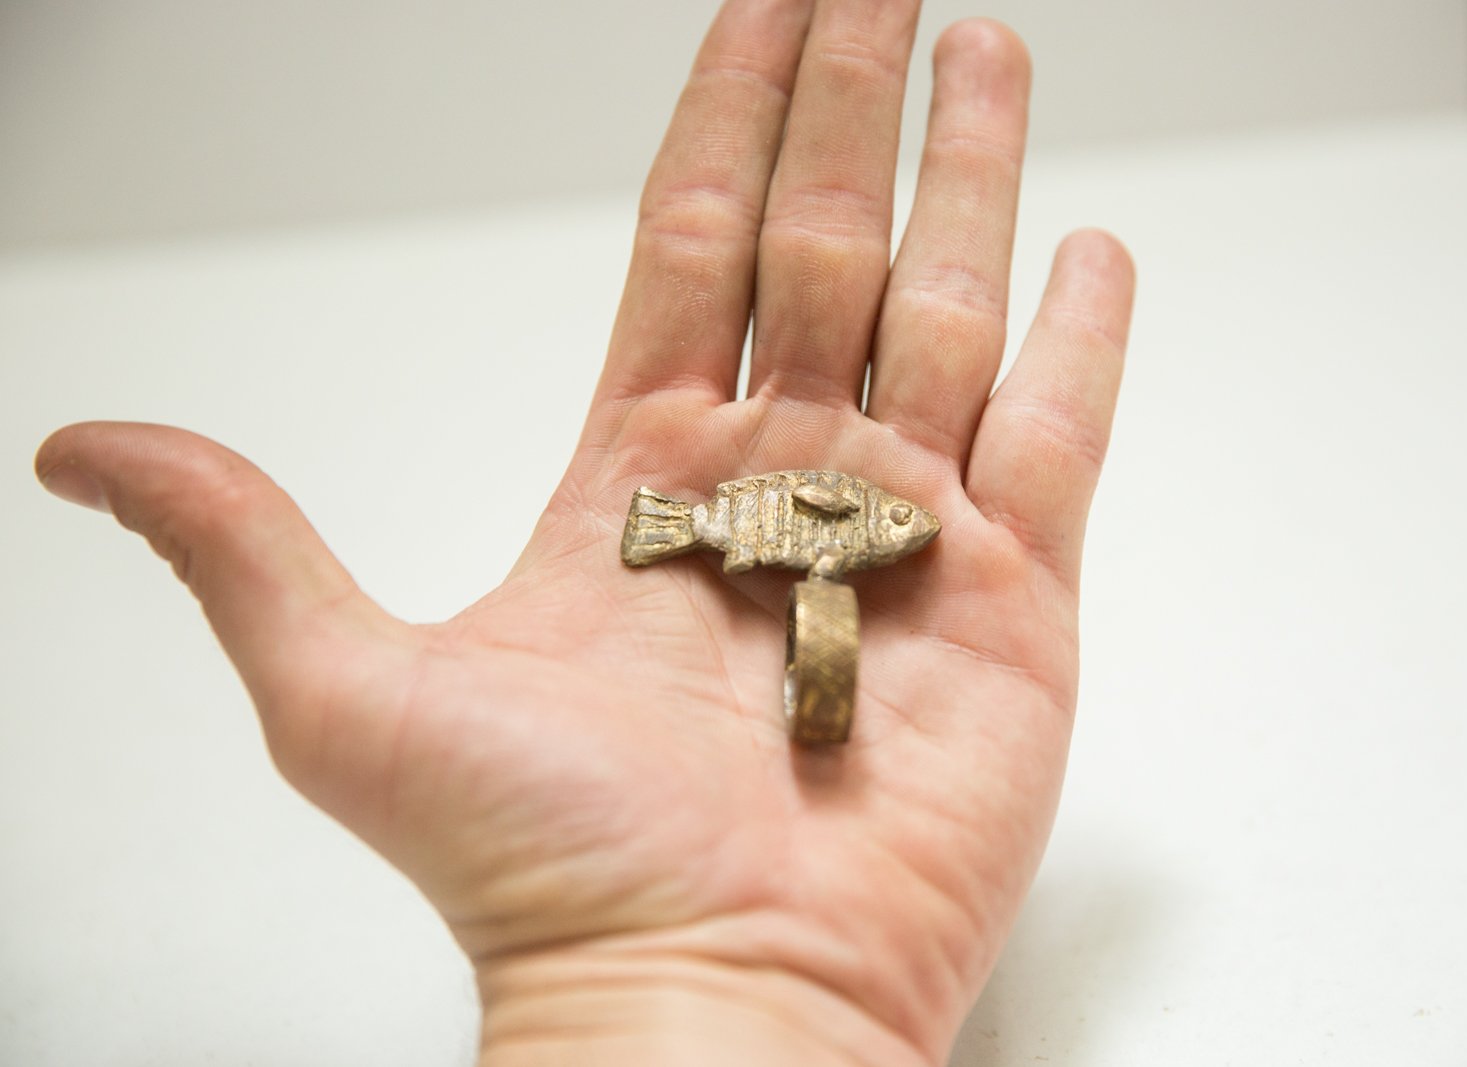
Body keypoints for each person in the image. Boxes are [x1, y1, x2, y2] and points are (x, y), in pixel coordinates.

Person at [33, 0, 1135, 1063]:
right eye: (893, 526)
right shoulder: (803, 545)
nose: (906, 531)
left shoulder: (848, 584)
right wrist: (714, 984)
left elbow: (833, 628)